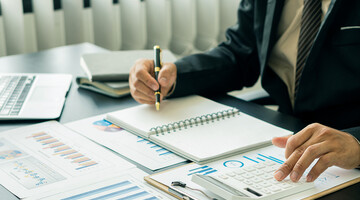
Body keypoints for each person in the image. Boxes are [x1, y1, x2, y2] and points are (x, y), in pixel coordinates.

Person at [128, 0, 360, 182]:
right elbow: (240, 54)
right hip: (286, 142)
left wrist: (356, 145)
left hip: (346, 158)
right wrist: (174, 75)